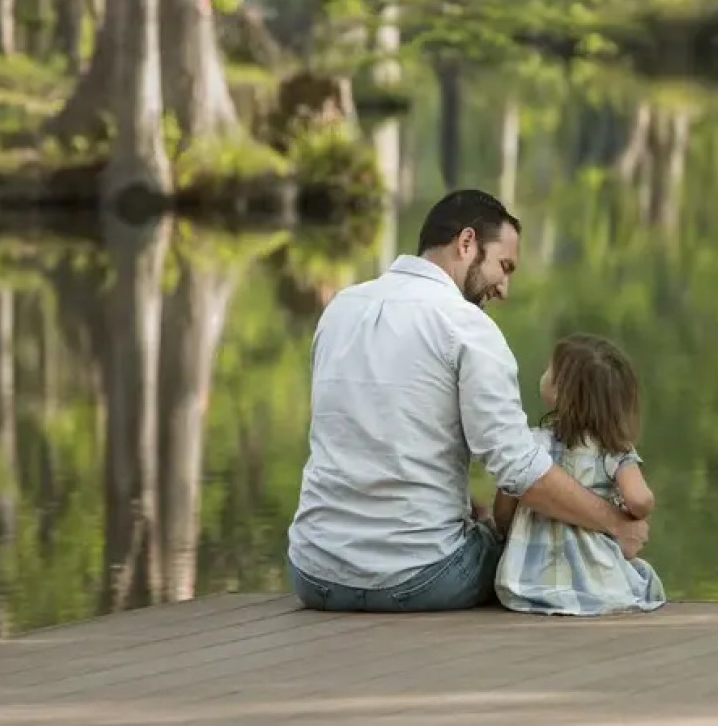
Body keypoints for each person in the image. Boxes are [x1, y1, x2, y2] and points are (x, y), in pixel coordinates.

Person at [285, 189, 650, 612]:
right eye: (504, 266)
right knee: (530, 546)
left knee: (484, 519)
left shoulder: (340, 310)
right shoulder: (467, 327)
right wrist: (614, 524)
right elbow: (519, 469)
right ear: (466, 243)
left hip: (313, 573)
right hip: (421, 578)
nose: (504, 288)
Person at [493, 333, 667, 616]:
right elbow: (639, 498)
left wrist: (507, 530)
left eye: (550, 369)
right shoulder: (614, 451)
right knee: (644, 579)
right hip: (597, 584)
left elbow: (503, 511)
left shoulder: (530, 445)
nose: (544, 373)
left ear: (561, 391)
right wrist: (633, 514)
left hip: (525, 585)